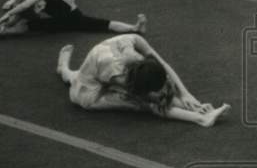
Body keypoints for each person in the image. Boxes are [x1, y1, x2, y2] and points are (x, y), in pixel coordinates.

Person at [57, 34, 230, 127]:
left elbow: (162, 65)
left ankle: (63, 68)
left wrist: (187, 95)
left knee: (74, 77)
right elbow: (153, 99)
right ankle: (201, 119)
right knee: (149, 105)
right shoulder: (115, 72)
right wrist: (200, 111)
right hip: (89, 95)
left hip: (92, 74)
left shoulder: (133, 39)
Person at [0, 0, 141, 38]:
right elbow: (22, 12)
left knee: (101, 24)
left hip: (72, 16)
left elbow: (25, 6)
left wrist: (7, 13)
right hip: (63, 20)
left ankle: (134, 28)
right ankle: (2, 30)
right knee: (101, 24)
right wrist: (4, 22)